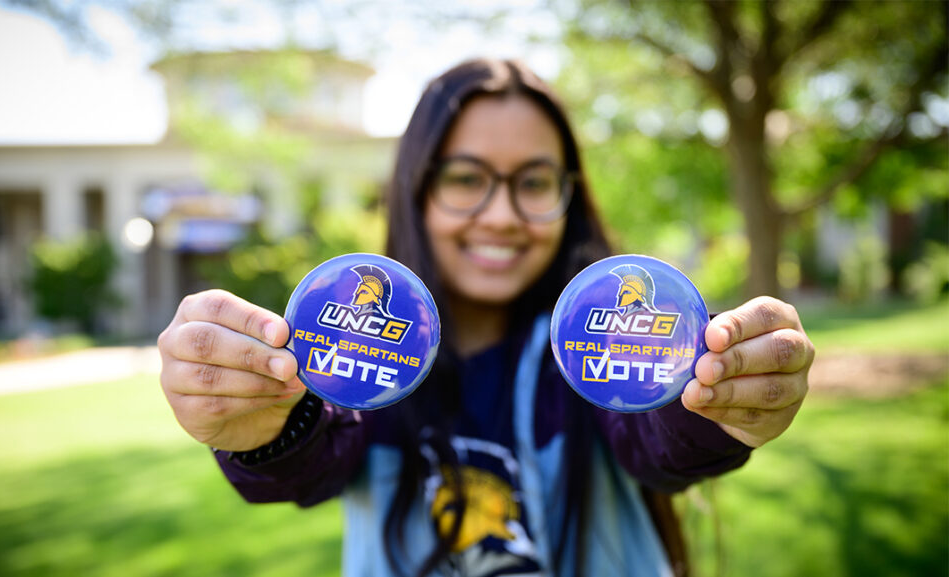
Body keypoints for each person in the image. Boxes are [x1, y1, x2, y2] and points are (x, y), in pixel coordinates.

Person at [157, 58, 814, 577]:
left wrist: (716, 399)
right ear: (417, 190)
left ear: (569, 199)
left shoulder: (592, 347)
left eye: (533, 182)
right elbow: (309, 457)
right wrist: (263, 425)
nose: (501, 214)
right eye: (467, 179)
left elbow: (655, 440)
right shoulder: (365, 366)